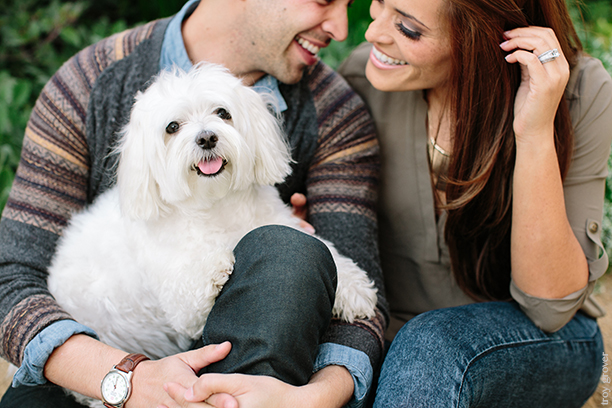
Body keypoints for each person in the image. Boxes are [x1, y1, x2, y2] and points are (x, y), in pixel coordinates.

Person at [0, 1, 389, 407]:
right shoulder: (87, 82)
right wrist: (126, 378)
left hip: (249, 375)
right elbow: (10, 281)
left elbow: (365, 312)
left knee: (288, 255)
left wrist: (315, 398)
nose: (343, 29)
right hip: (82, 370)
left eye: (222, 114)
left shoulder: (335, 113)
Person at [334, 0, 612, 406]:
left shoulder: (577, 90)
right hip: (389, 340)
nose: (373, 33)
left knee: (431, 343)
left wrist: (534, 132)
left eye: (408, 29)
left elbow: (549, 306)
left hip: (537, 342)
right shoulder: (363, 78)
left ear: (480, 40)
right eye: (379, 4)